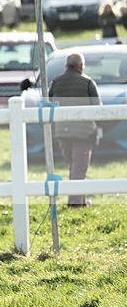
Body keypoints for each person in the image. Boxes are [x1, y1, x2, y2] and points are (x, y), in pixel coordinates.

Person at [48, 52, 102, 208]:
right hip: (84, 133)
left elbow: (50, 105)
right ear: (81, 67)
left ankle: (80, 200)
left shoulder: (56, 83)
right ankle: (76, 204)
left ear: (66, 66)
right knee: (79, 168)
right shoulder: (87, 83)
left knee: (74, 166)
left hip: (62, 131)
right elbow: (97, 109)